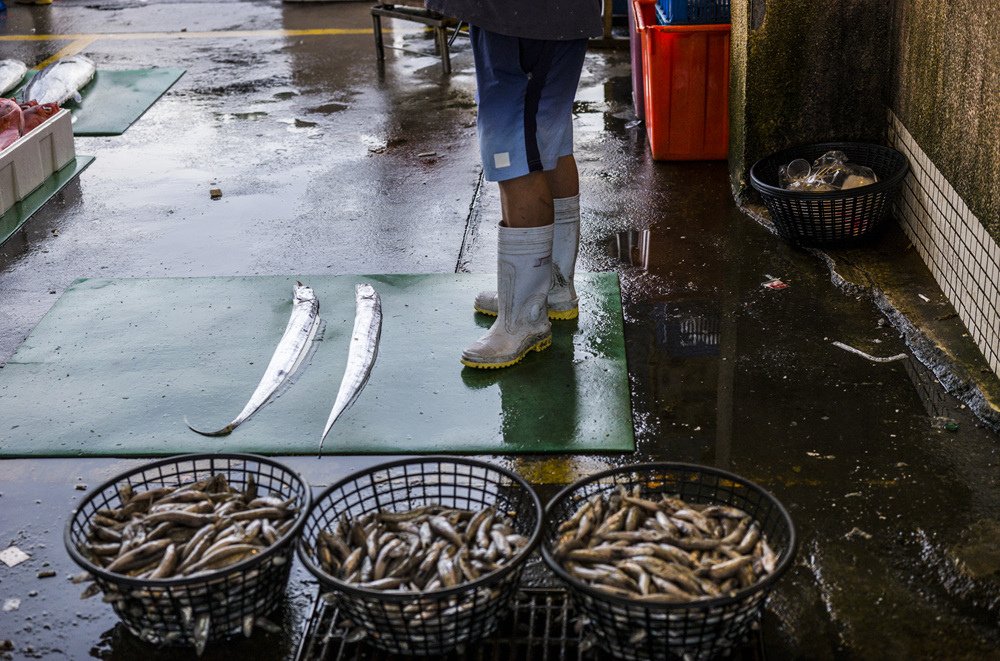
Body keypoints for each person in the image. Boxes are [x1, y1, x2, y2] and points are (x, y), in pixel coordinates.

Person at [425, 0, 603, 369]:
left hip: (522, 17)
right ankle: (552, 289)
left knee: (513, 153)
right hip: (546, 17)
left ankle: (524, 319)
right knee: (548, 137)